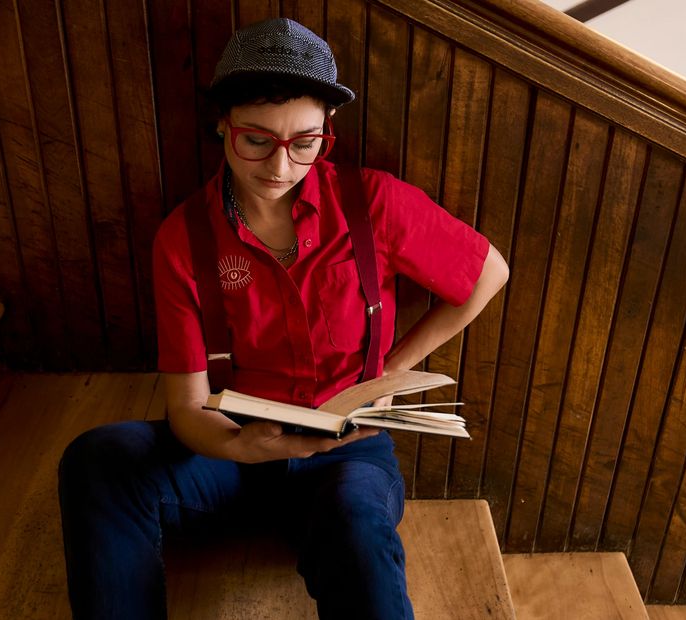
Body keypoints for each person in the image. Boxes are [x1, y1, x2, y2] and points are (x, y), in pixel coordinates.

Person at [58, 17, 509, 619]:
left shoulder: (372, 202)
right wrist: (246, 448)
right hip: (232, 454)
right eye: (257, 140)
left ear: (327, 131)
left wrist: (385, 376)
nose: (280, 165)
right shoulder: (183, 238)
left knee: (358, 529)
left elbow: (488, 274)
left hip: (349, 454)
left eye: (305, 141)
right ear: (222, 124)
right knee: (98, 458)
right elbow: (188, 410)